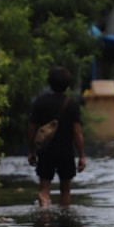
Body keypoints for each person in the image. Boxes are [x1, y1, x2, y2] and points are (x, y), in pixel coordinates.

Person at [27, 66, 86, 208]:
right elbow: (77, 131)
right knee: (65, 190)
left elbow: (32, 128)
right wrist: (82, 155)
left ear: (49, 83)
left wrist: (31, 151)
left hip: (46, 151)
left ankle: (44, 202)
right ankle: (64, 218)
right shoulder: (72, 104)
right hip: (66, 152)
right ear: (68, 84)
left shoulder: (40, 102)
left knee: (44, 188)